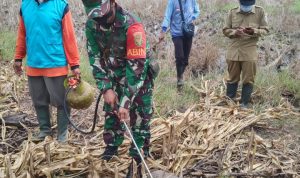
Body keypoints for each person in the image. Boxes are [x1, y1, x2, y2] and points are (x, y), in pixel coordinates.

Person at [81, 0, 155, 176]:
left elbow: (137, 68)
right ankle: (112, 146)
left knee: (140, 118)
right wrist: (106, 88)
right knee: (112, 112)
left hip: (138, 78)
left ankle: (138, 157)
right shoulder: (92, 24)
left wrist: (126, 101)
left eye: (104, 15)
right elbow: (95, 58)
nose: (100, 20)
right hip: (113, 76)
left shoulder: (132, 26)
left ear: (113, 3)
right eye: (96, 17)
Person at [13, 0, 80, 142]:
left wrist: (74, 64)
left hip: (55, 63)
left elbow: (69, 37)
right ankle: (45, 130)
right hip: (34, 63)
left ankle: (62, 133)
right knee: (39, 100)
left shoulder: (61, 6)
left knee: (62, 101)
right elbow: (22, 33)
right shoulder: (25, 5)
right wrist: (18, 56)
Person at [223, 0, 269, 108]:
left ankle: (245, 103)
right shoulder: (232, 12)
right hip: (234, 50)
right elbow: (225, 29)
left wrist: (254, 31)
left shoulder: (260, 12)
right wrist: (234, 32)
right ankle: (230, 101)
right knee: (232, 77)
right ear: (239, 2)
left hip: (250, 50)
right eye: (244, 5)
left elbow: (266, 30)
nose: (246, 7)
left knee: (248, 78)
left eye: (248, 5)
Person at [159, 0, 200, 92]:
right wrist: (163, 30)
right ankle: (180, 79)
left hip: (188, 32)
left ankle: (180, 74)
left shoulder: (192, 1)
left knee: (185, 60)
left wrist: (193, 18)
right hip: (176, 33)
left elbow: (197, 11)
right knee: (180, 57)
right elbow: (167, 16)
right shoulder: (172, 2)